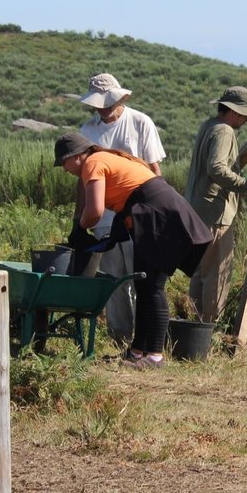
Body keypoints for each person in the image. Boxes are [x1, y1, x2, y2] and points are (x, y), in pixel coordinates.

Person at [55, 131, 213, 369]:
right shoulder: (102, 158)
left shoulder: (93, 163)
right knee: (144, 284)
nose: (64, 169)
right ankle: (138, 351)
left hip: (156, 215)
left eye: (63, 163)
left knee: (153, 287)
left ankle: (155, 356)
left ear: (75, 155)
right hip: (152, 213)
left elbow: (95, 211)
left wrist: (80, 228)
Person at [77, 73, 166, 346]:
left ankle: (144, 341)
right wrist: (78, 220)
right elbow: (84, 182)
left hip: (137, 215)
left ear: (119, 99)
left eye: (107, 102)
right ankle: (120, 339)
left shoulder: (140, 122)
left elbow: (153, 170)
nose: (103, 108)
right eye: (98, 104)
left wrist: (160, 212)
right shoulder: (87, 132)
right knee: (114, 281)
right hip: (104, 217)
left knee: (141, 278)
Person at [184, 86, 247, 323]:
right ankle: (208, 328)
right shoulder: (224, 131)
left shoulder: (209, 125)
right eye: (246, 114)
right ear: (234, 112)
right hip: (215, 214)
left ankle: (192, 323)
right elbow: (217, 168)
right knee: (216, 273)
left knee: (200, 272)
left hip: (198, 210)